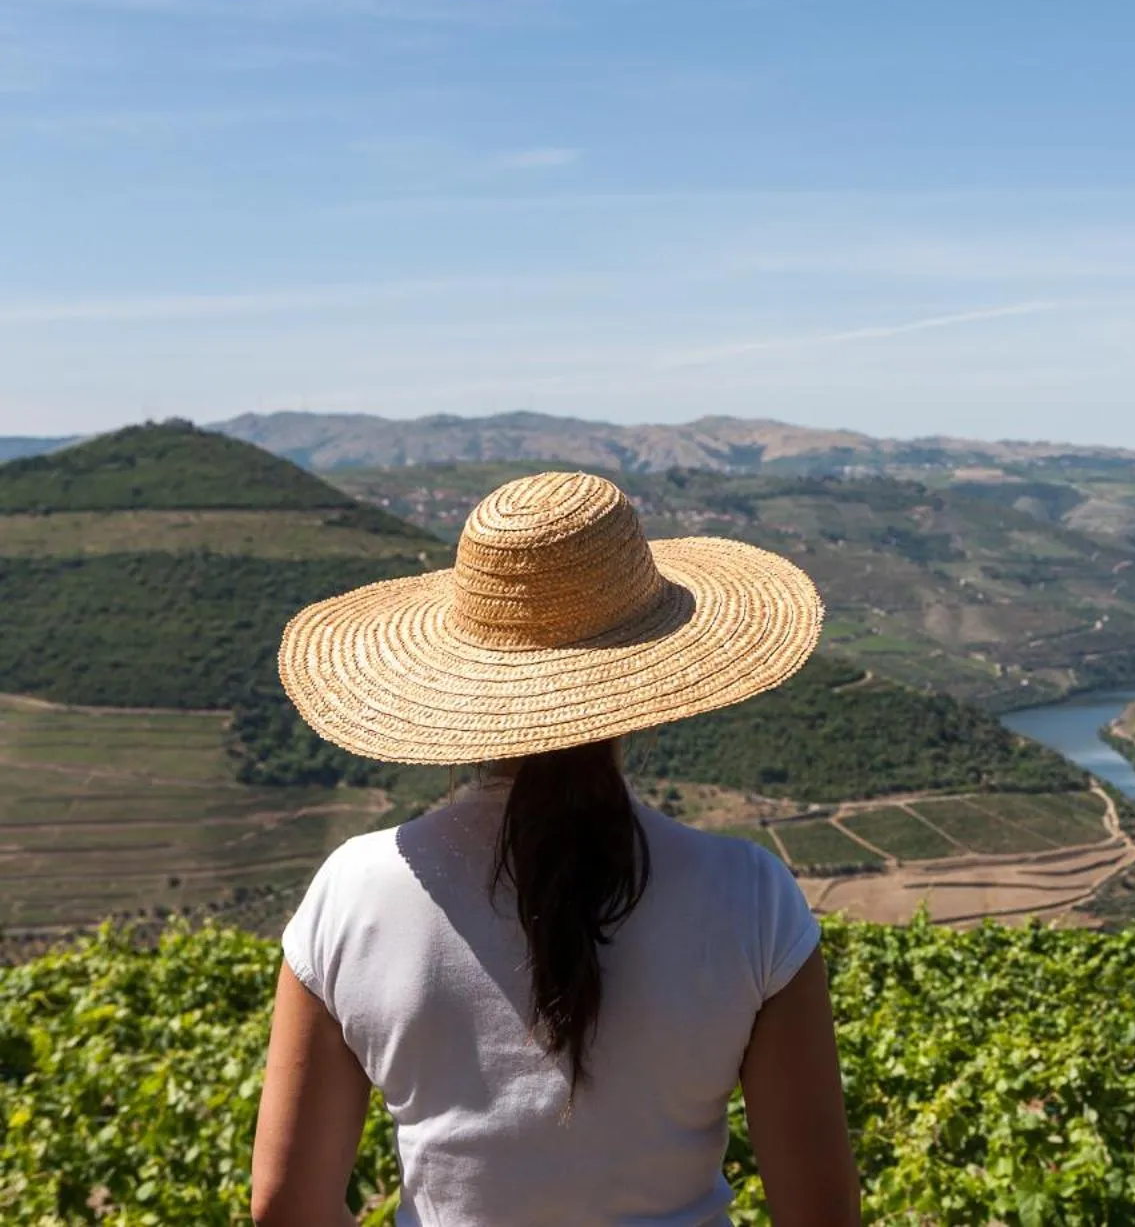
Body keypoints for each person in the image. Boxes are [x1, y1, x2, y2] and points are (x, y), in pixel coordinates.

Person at [250, 470, 861, 1227]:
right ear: (648, 675)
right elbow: (821, 1214)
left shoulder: (355, 893)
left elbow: (285, 1205)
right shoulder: (751, 896)